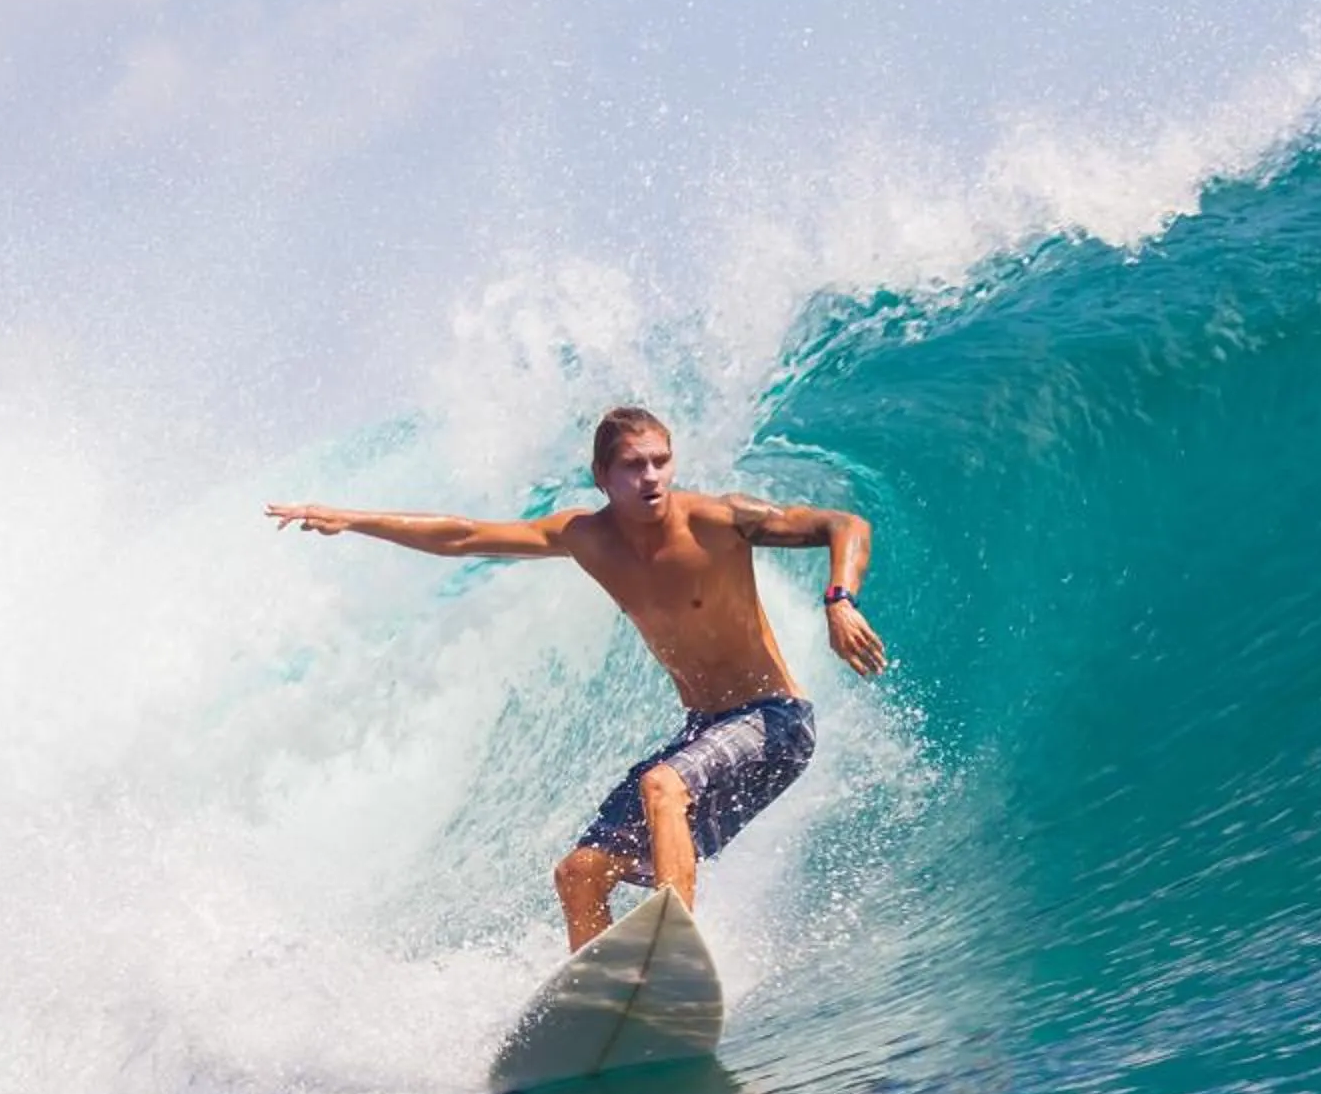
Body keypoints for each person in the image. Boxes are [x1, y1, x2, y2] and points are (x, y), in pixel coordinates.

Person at [267, 405, 886, 950]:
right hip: (707, 728)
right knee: (580, 872)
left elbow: (846, 525)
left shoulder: (720, 520)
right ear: (603, 477)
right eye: (634, 466)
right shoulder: (585, 538)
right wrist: (348, 518)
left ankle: (671, 951)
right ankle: (611, 1001)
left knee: (662, 785)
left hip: (775, 719)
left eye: (660, 462)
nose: (651, 478)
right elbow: (463, 535)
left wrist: (839, 600)